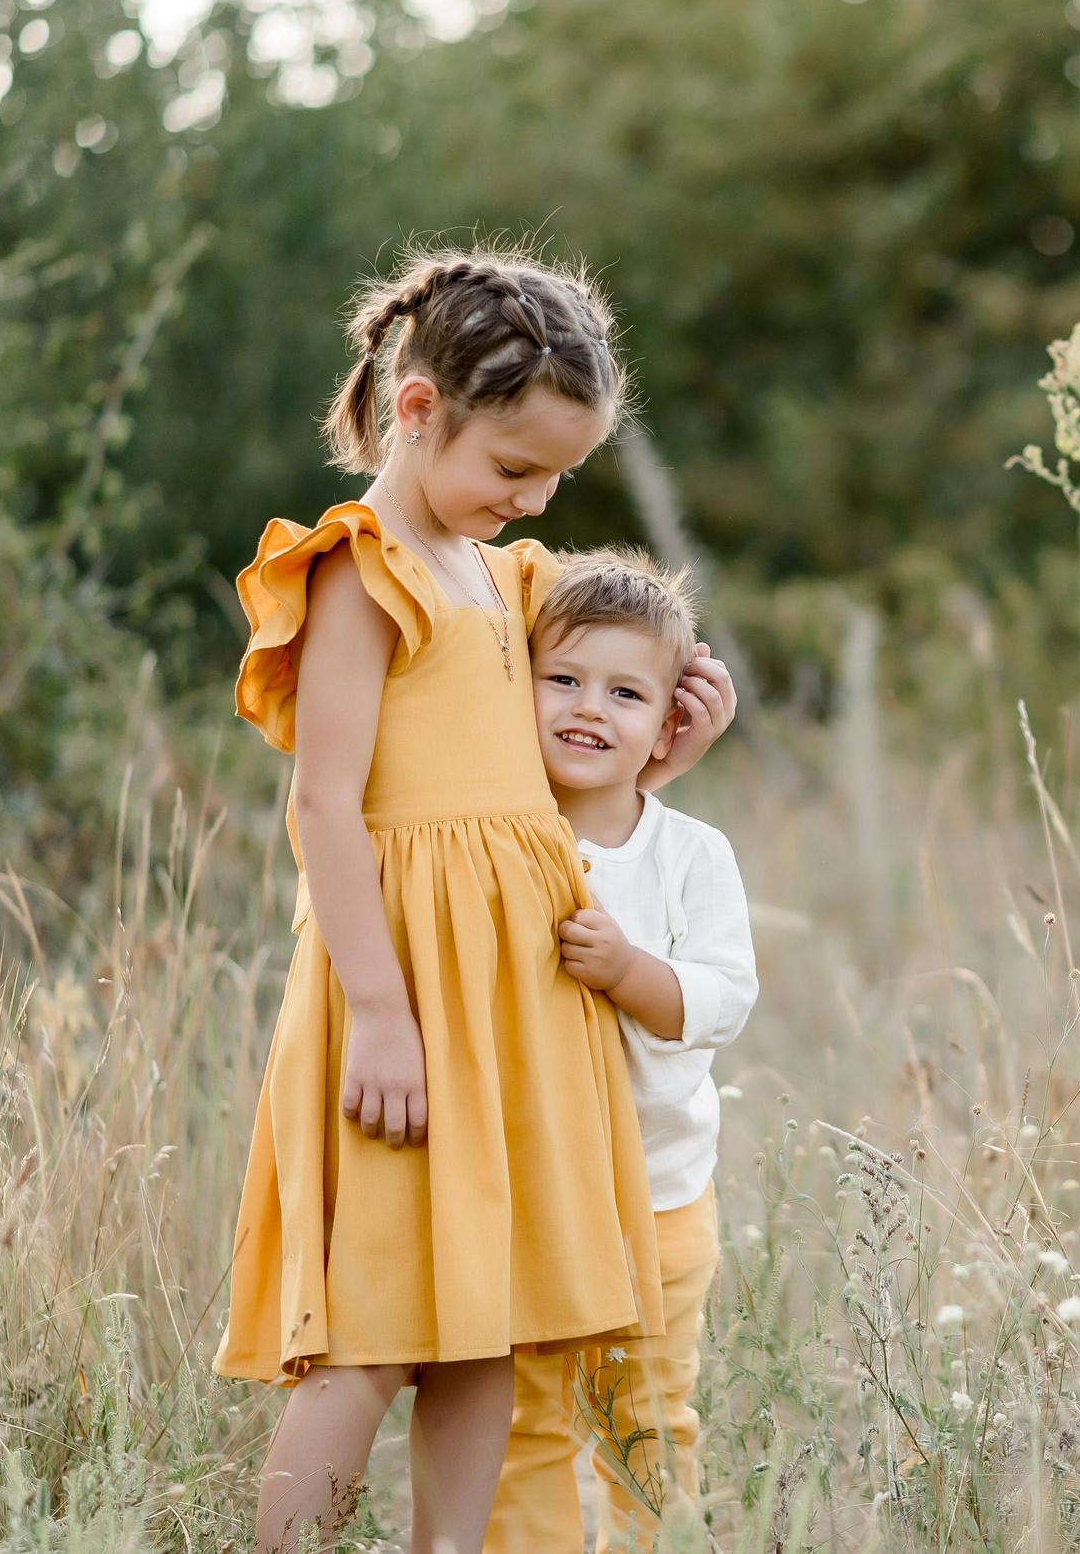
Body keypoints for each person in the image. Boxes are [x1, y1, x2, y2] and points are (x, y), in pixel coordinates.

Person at [213, 249, 737, 1554]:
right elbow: (327, 804)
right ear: (418, 407)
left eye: (559, 474)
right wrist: (382, 1014)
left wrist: (661, 755)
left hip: (514, 1011)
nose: (536, 497)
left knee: (490, 1325)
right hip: (407, 999)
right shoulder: (364, 569)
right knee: (376, 1335)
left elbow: (537, 770)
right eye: (513, 468)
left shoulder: (502, 582)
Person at [490, 550, 759, 1552]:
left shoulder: (690, 852)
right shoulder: (502, 834)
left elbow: (723, 996)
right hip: (528, 1200)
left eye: (626, 691)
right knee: (523, 1426)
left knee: (644, 1424)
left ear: (670, 719)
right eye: (561, 678)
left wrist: (629, 968)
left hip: (659, 1201)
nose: (587, 708)